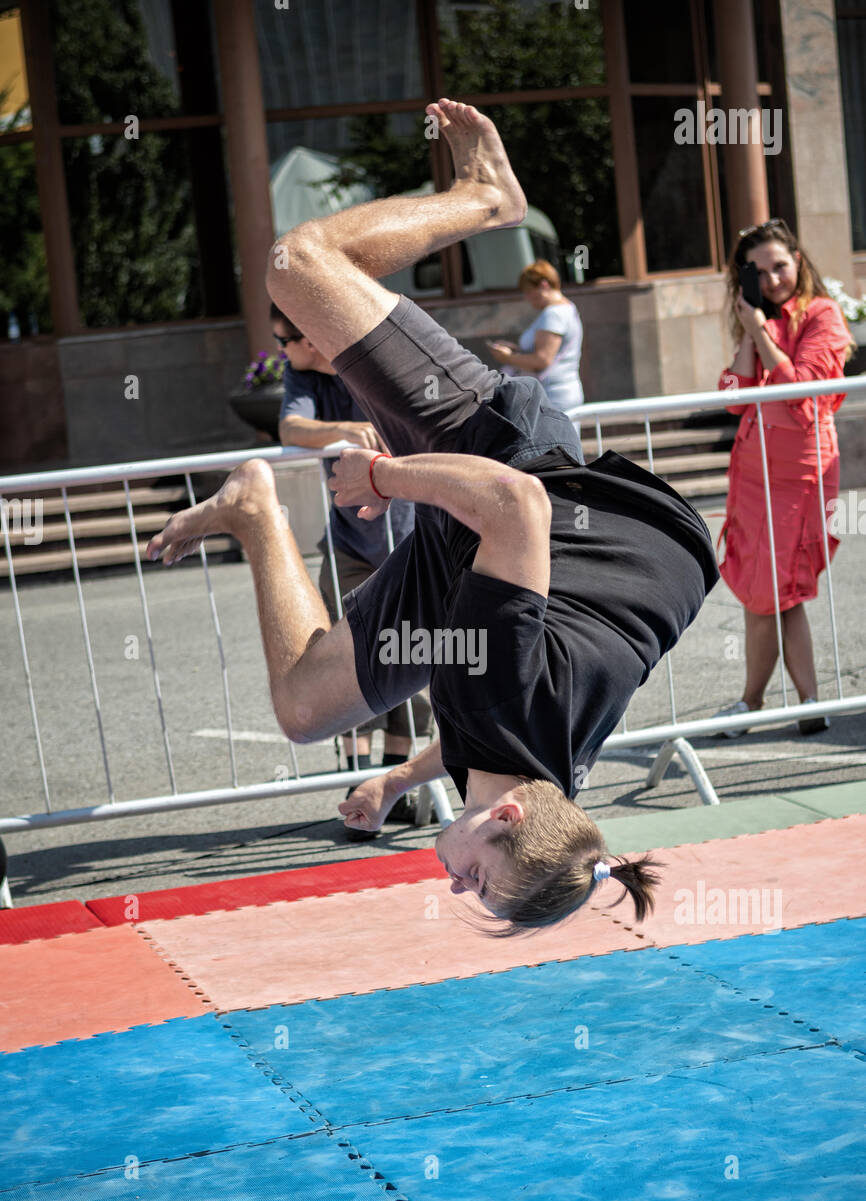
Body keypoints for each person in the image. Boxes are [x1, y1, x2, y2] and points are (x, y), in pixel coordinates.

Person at [146, 99, 719, 930]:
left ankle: (253, 509)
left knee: (307, 709)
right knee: (298, 264)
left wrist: (393, 781)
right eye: (479, 884)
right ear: (507, 821)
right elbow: (514, 508)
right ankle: (491, 199)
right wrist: (382, 476)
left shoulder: (537, 774)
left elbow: (476, 733)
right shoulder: (506, 697)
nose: (459, 889)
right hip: (514, 469)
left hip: (501, 568)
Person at [269, 300, 433, 833]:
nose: (280, 351)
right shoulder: (303, 377)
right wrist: (345, 430)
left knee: (413, 660)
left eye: (284, 339)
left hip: (412, 542)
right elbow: (291, 427)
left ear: (310, 336)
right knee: (346, 662)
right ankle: (354, 780)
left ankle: (394, 780)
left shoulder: (369, 365)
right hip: (350, 547)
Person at [714, 217, 855, 738]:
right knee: (765, 591)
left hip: (799, 473)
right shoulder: (759, 320)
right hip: (752, 474)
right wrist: (750, 332)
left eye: (780, 266)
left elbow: (800, 393)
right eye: (758, 272)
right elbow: (732, 396)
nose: (773, 280)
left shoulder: (823, 315)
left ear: (799, 262)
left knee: (778, 591)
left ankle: (762, 703)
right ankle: (797, 702)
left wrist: (758, 333)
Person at [487, 259, 584, 412]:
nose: (526, 298)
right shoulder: (567, 307)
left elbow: (542, 360)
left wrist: (507, 358)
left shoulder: (553, 314)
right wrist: (517, 350)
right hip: (562, 391)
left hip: (553, 395)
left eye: (528, 292)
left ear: (544, 285)